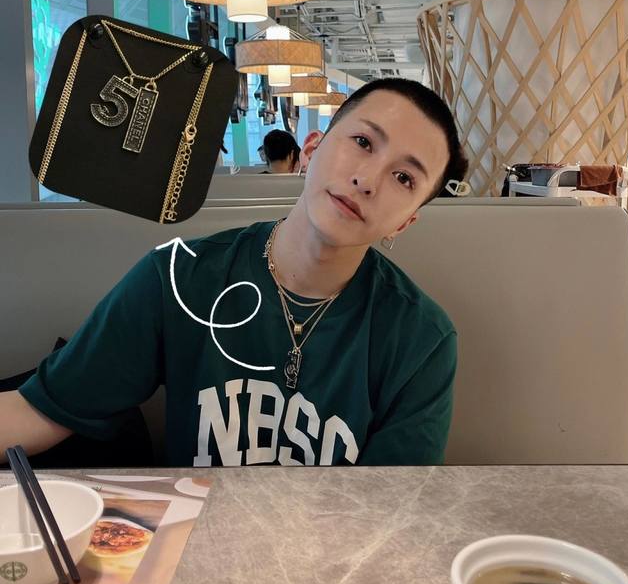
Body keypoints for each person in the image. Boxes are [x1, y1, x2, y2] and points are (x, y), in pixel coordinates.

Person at [0, 78, 468, 467]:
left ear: (405, 221)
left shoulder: (420, 337)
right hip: (189, 539)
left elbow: (394, 508)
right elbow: (41, 409)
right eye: (362, 142)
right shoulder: (180, 277)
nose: (367, 180)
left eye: (404, 178)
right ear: (312, 148)